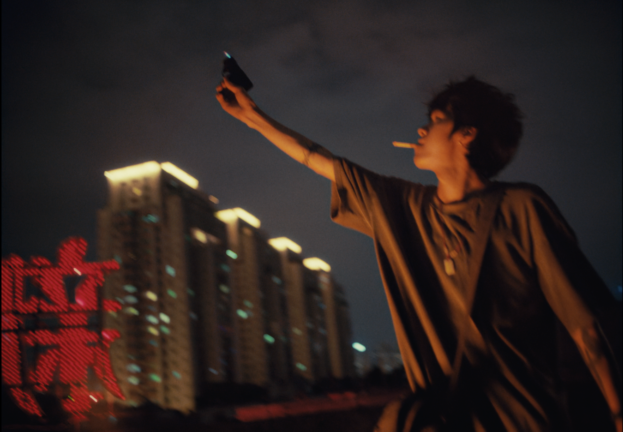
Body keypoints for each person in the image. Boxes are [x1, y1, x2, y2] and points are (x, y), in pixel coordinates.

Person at [216, 75, 621, 431]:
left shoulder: (523, 207)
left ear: (467, 135)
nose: (421, 129)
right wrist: (252, 116)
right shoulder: (402, 205)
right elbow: (317, 158)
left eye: (437, 120)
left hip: (522, 419)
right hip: (453, 420)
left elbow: (587, 326)